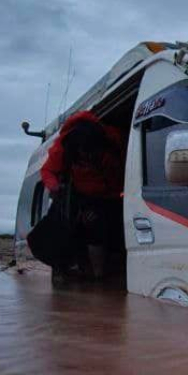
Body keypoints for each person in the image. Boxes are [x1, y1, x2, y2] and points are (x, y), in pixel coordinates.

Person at [39, 111, 124, 281]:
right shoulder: (61, 148)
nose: (87, 156)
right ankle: (98, 277)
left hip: (116, 193)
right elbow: (47, 170)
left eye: (91, 152)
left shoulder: (113, 138)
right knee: (94, 226)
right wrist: (55, 187)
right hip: (86, 197)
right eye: (83, 153)